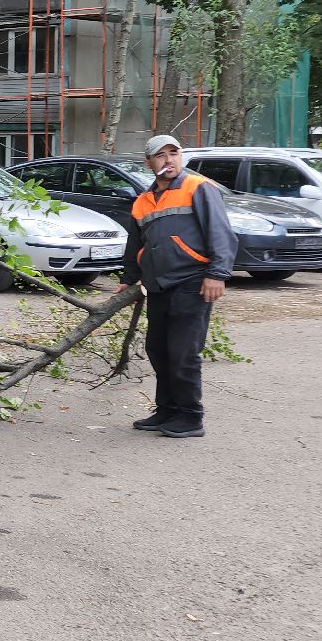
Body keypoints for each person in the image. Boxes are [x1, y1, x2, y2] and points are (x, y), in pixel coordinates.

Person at [121, 133, 237, 439]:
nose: (168, 160)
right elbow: (136, 244)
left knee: (183, 352)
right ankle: (167, 410)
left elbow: (221, 233)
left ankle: (190, 416)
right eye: (160, 155)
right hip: (158, 285)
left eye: (174, 153)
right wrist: (128, 279)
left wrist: (217, 274)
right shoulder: (143, 202)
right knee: (158, 349)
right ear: (149, 163)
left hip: (193, 281)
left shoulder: (198, 188)